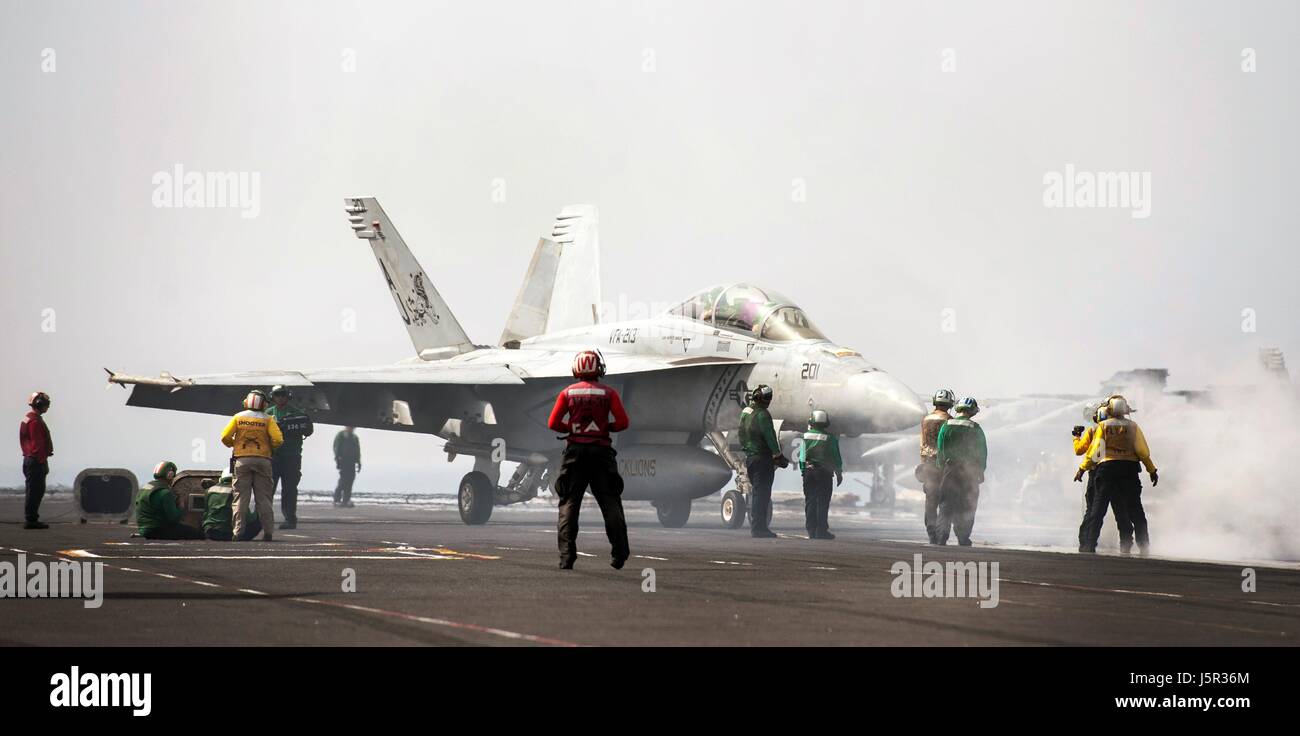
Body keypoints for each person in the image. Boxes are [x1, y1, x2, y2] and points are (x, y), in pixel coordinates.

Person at [547, 349, 630, 570]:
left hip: (575, 453)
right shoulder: (609, 393)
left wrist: (573, 428)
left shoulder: (567, 393)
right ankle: (619, 555)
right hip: (601, 452)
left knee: (569, 503)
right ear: (598, 368)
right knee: (610, 502)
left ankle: (566, 558)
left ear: (577, 368)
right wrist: (604, 428)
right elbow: (623, 423)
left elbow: (553, 423)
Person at [1075, 395, 1158, 555]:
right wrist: (1152, 470)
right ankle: (1144, 546)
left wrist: (1082, 469)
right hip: (1129, 470)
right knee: (1135, 510)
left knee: (1098, 509)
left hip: (1107, 470)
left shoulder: (1103, 426)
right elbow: (1142, 452)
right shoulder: (1133, 426)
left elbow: (1095, 452)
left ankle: (1089, 546)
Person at [221, 390, 283, 542]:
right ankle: (268, 532)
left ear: (246, 402)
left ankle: (237, 532)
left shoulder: (238, 417)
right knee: (264, 499)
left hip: (242, 461)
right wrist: (269, 448)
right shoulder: (268, 419)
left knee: (241, 498)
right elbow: (278, 440)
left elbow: (225, 437)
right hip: (263, 460)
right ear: (263, 403)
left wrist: (235, 445)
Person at [1072, 403, 1133, 552]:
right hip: (1118, 472)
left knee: (1093, 510)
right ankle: (1126, 544)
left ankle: (1087, 543)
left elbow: (1080, 450)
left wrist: (1076, 437)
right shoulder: (1119, 429)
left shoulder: (1094, 430)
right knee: (1121, 510)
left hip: (1097, 474)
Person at [934, 397, 988, 546]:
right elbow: (982, 452)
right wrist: (980, 471)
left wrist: (941, 467)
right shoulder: (975, 428)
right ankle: (963, 537)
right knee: (967, 505)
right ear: (972, 411)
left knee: (945, 505)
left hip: (950, 470)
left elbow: (940, 448)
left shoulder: (946, 425)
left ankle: (941, 537)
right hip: (969, 472)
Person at [739, 384, 787, 538]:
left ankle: (757, 526)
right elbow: (770, 436)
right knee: (762, 494)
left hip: (751, 458)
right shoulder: (763, 415)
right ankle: (759, 528)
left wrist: (746, 450)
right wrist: (778, 456)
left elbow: (740, 433)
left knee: (757, 492)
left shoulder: (746, 412)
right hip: (762, 460)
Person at [266, 385, 314, 530]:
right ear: (272, 397)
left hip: (291, 457)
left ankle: (290, 519)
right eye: (277, 395)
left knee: (289, 489)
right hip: (273, 457)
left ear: (288, 396)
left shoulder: (297, 413)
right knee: (267, 489)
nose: (280, 397)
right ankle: (262, 518)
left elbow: (309, 430)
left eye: (283, 395)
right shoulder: (268, 414)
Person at [916, 389, 955, 543]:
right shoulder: (950, 420)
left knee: (931, 501)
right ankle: (942, 535)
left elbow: (922, 444)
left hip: (928, 465)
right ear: (950, 403)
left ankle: (932, 533)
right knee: (946, 501)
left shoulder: (925, 420)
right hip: (945, 466)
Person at [799, 410, 843, 539]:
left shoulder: (805, 436)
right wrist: (839, 473)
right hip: (824, 473)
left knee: (810, 501)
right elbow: (836, 457)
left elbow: (802, 455)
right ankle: (821, 530)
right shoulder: (830, 438)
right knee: (822, 502)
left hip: (808, 472)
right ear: (826, 423)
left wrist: (803, 471)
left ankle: (811, 530)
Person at [134, 461, 204, 539]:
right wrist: (181, 505)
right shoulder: (165, 493)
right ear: (170, 475)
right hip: (156, 529)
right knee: (198, 534)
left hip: (144, 529)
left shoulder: (146, 487)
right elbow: (174, 519)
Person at [19, 391, 54, 530]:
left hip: (30, 459)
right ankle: (31, 519)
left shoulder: (29, 418)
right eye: (46, 404)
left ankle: (31, 518)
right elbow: (37, 443)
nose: (48, 407)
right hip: (35, 460)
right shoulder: (34, 421)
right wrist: (42, 460)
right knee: (35, 491)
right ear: (39, 404)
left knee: (32, 490)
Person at [201, 470, 263, 541]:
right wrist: (256, 514)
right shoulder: (238, 491)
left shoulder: (209, 490)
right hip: (231, 533)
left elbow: (205, 513)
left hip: (211, 533)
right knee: (260, 516)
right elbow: (246, 517)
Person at [333, 427, 361, 507]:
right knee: (343, 480)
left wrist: (358, 463)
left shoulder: (355, 437)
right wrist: (337, 459)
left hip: (352, 462)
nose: (352, 428)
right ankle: (337, 500)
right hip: (344, 460)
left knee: (350, 480)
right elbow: (336, 447)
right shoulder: (341, 435)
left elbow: (357, 450)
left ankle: (346, 500)